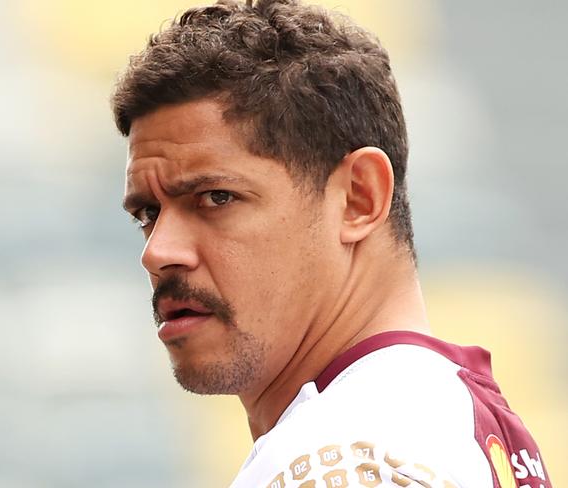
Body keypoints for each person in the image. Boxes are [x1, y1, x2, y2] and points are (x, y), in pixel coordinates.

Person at [111, 0, 552, 486]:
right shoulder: (436, 419)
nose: (157, 252)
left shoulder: (346, 457)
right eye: (148, 214)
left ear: (358, 197)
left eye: (216, 197)